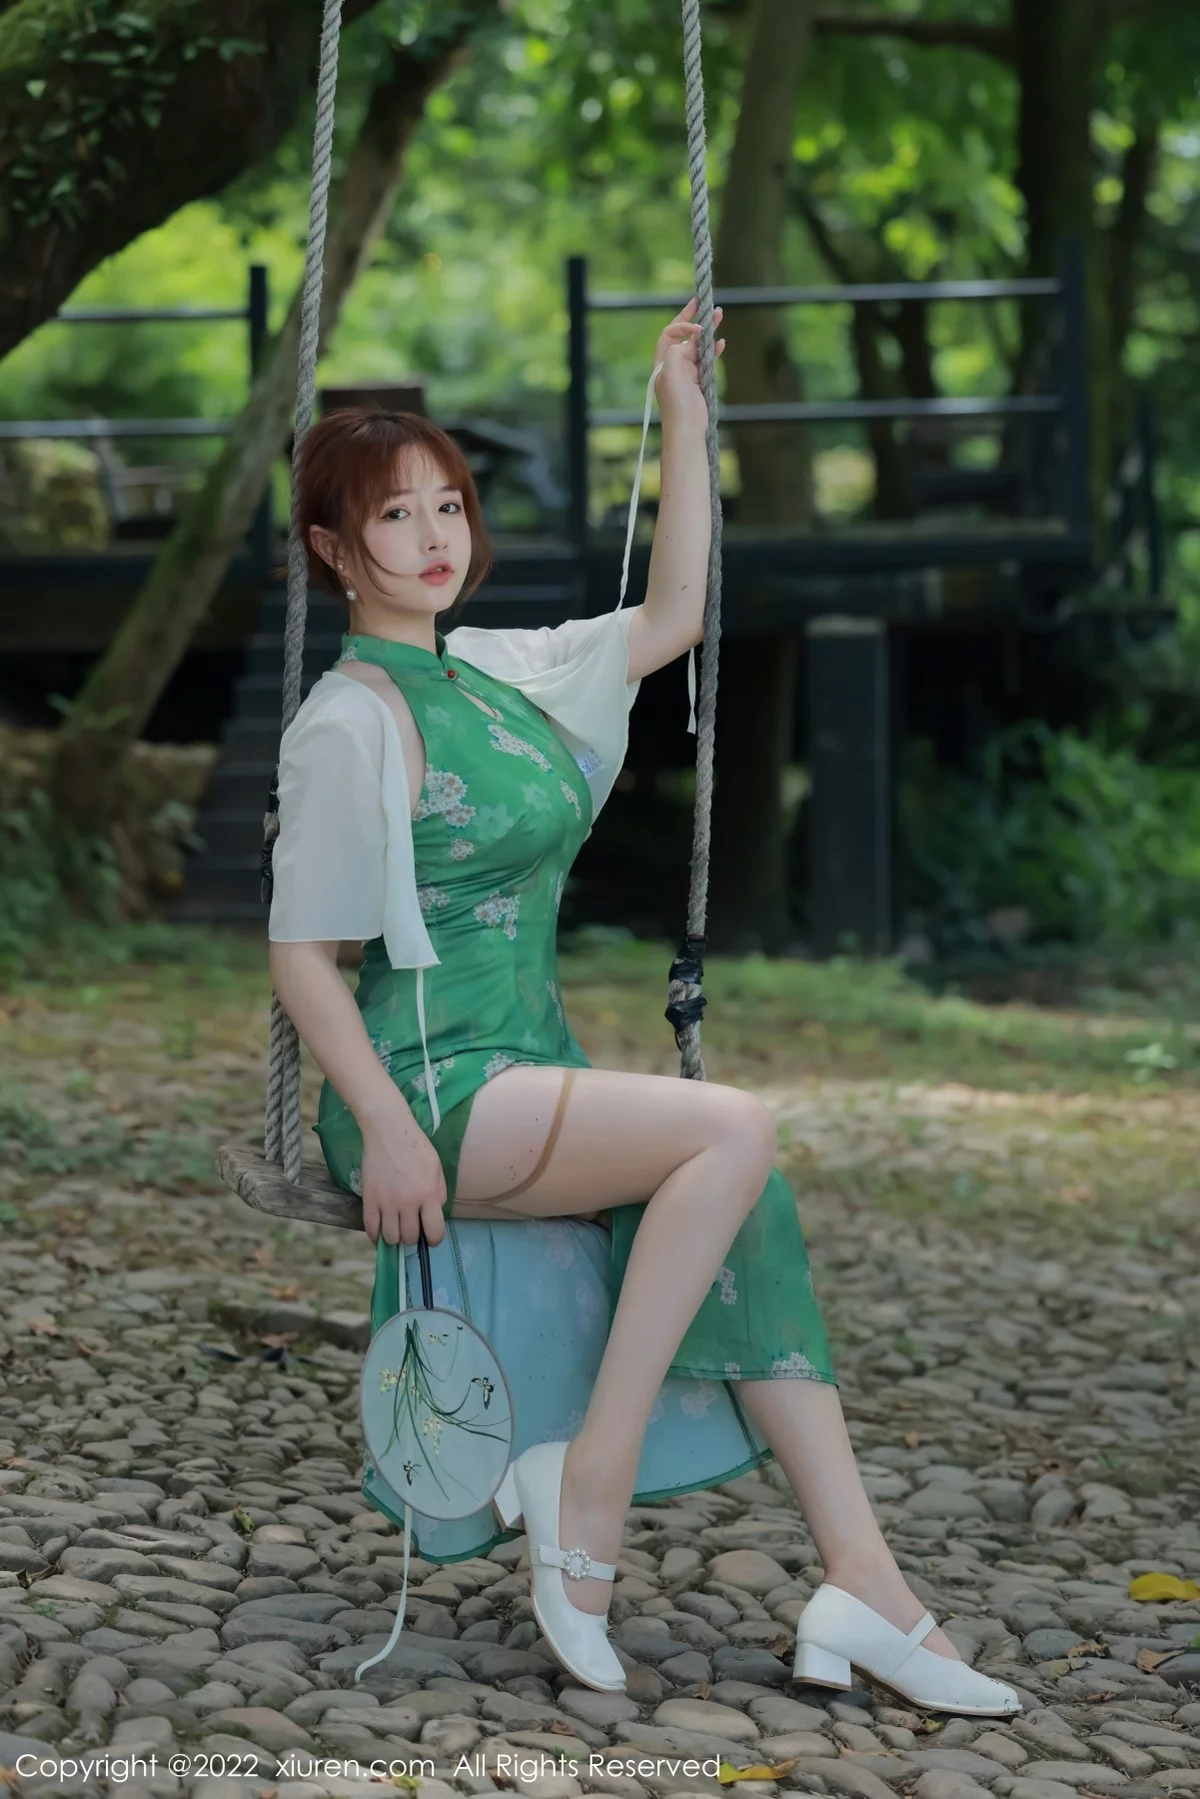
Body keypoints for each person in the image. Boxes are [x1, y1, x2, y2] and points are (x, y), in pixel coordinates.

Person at [266, 304, 1020, 1716]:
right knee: (730, 1129)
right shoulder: (348, 721)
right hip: (427, 1089)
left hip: (521, 1068)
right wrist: (387, 1128)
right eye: (394, 516)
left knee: (753, 1196)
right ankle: (591, 1484)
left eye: (448, 506)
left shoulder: (499, 671)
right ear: (334, 550)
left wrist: (680, 407)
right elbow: (303, 955)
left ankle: (864, 1582)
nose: (433, 537)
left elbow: (674, 615)